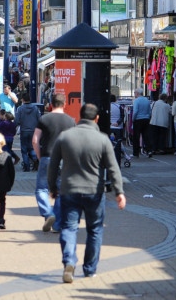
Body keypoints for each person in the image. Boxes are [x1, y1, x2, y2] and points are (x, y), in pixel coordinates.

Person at [48, 103, 126, 283]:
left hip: (69, 190)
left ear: (79, 116)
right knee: (95, 230)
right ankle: (90, 269)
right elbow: (113, 168)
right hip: (94, 191)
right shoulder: (103, 139)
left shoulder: (65, 137)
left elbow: (53, 166)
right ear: (97, 118)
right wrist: (119, 191)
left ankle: (69, 261)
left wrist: (53, 187)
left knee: (68, 228)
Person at [33, 93, 75, 233]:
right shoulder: (70, 121)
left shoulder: (44, 118)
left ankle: (48, 212)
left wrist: (40, 157)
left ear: (51, 104)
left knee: (41, 189)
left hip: (47, 156)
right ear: (65, 104)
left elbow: (35, 140)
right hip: (64, 159)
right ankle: (57, 224)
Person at [15, 91, 41, 172]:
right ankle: (35, 159)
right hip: (33, 130)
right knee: (32, 147)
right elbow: (39, 119)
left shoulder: (20, 109)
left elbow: (17, 121)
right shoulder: (35, 108)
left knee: (24, 150)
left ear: (22, 100)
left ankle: (26, 167)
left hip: (24, 131)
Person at [132, 88, 151, 157]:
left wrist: (133, 119)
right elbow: (149, 111)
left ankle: (136, 153)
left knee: (136, 137)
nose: (134, 94)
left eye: (134, 93)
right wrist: (148, 117)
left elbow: (135, 111)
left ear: (137, 93)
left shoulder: (136, 101)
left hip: (138, 120)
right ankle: (149, 151)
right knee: (146, 136)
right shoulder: (147, 100)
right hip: (146, 119)